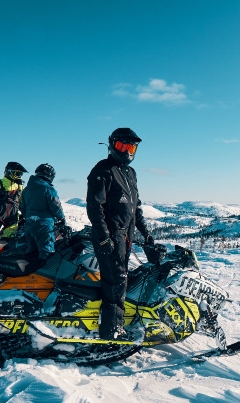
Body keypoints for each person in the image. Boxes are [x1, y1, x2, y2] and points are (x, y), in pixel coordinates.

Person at [86, 127, 153, 341]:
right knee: (116, 281)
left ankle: (116, 322)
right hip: (110, 236)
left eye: (130, 146)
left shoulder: (130, 174)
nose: (126, 151)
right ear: (112, 145)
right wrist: (104, 236)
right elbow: (94, 207)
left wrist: (146, 234)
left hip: (125, 236)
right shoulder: (103, 170)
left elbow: (136, 209)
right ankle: (112, 332)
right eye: (121, 145)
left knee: (123, 279)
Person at [14, 163, 66, 260]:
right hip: (44, 225)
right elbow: (56, 206)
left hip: (29, 224)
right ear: (49, 175)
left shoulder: (27, 189)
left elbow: (22, 207)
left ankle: (30, 273)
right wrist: (61, 218)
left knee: (31, 252)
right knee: (46, 252)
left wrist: (29, 216)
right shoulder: (48, 189)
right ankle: (42, 273)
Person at [0, 161, 28, 240]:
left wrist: (26, 214)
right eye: (17, 174)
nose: (20, 176)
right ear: (9, 172)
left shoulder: (19, 186)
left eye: (21, 174)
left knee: (8, 241)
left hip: (12, 218)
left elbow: (21, 202)